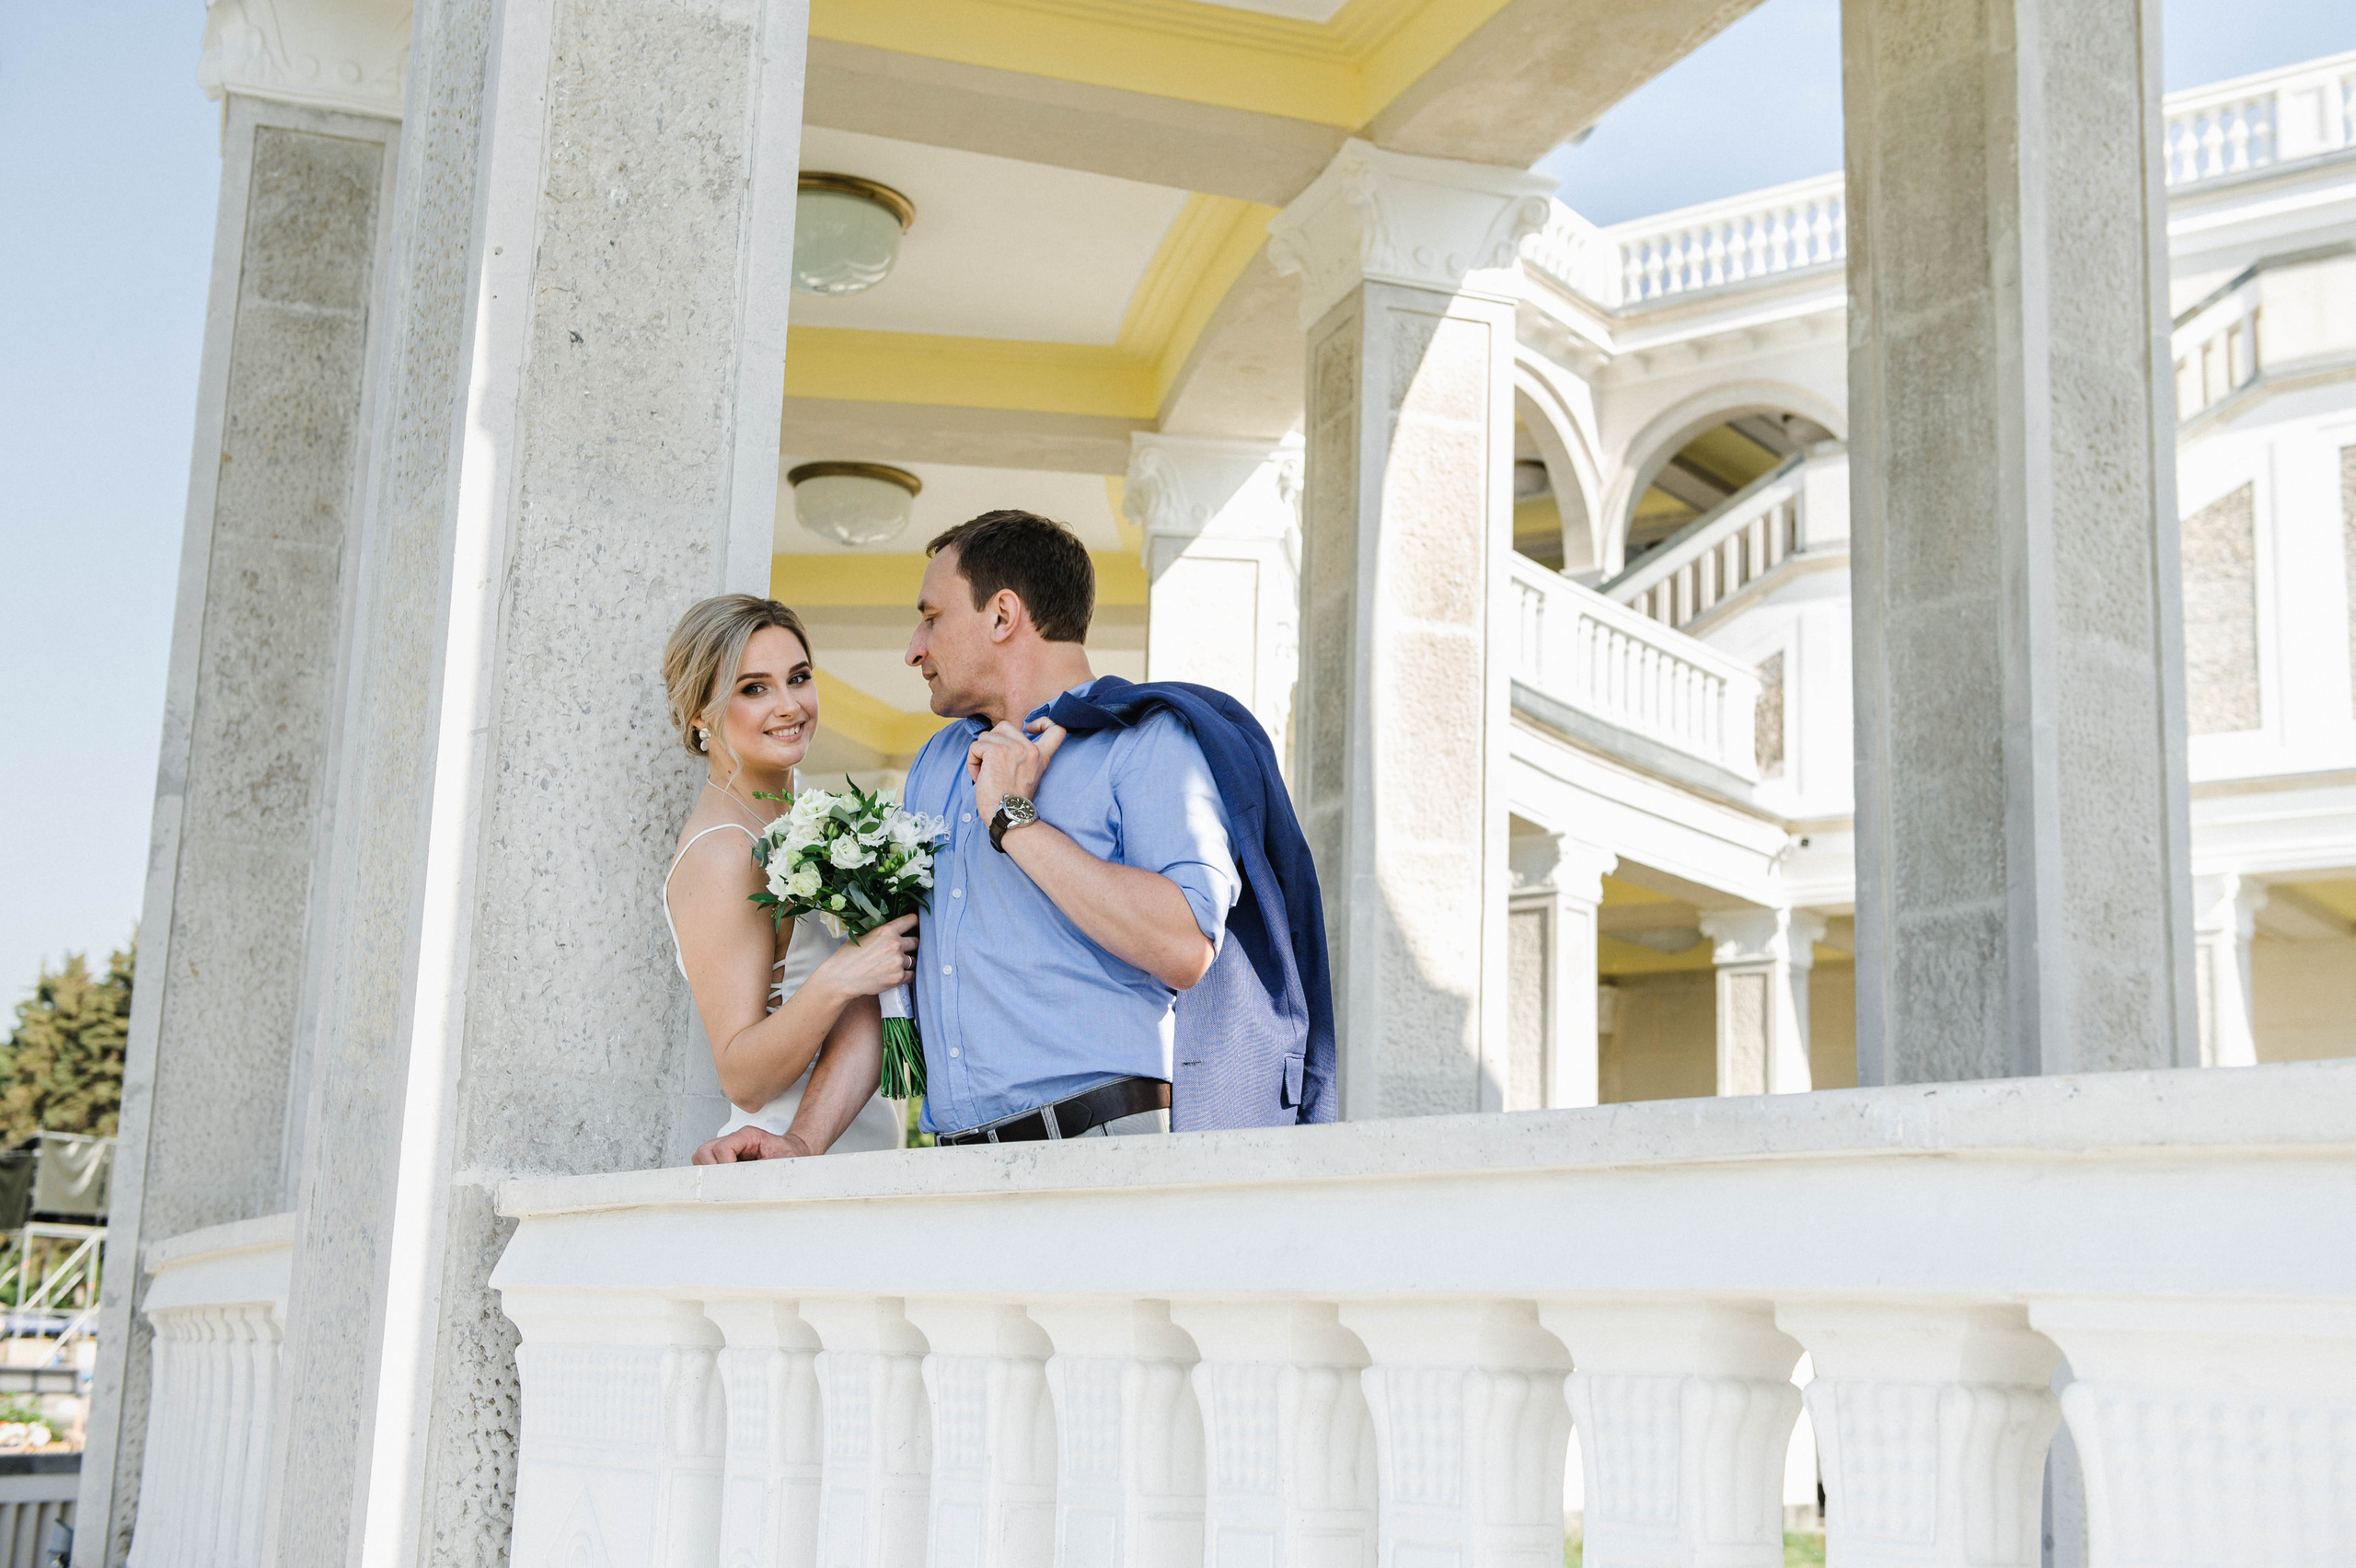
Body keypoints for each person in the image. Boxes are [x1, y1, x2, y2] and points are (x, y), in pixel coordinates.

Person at [900, 510, 1242, 1142]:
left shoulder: (1144, 743)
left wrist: (1015, 821)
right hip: (950, 1165)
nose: (914, 648)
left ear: (1003, 615)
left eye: (931, 615)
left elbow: (1186, 946)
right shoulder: (937, 761)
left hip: (1100, 1146)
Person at [662, 595, 915, 1164]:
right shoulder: (725, 851)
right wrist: (843, 976)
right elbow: (742, 1076)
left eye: (798, 678)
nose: (789, 705)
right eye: (754, 688)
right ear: (700, 714)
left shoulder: (805, 821)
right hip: (778, 1153)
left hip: (856, 1136)